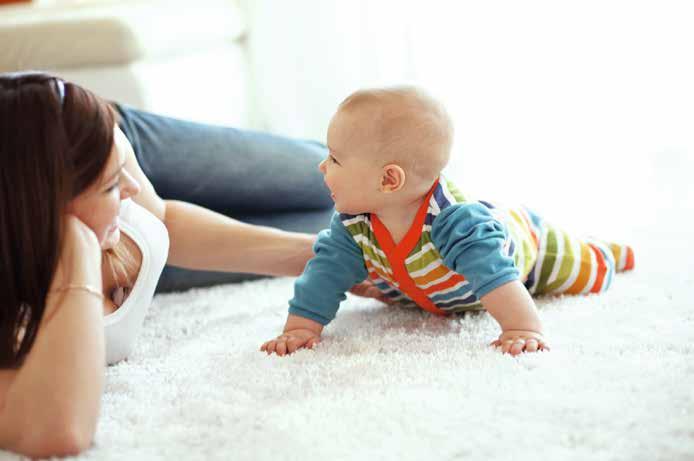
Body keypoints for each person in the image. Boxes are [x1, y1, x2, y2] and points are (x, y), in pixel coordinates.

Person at [0, 72, 381, 458]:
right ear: (43, 210)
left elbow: (162, 220)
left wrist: (325, 258)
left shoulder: (108, 156)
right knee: (344, 211)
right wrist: (75, 246)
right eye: (112, 186)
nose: (133, 189)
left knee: (345, 178)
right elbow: (56, 431)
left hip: (70, 132)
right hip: (39, 180)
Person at [261, 86, 635, 357]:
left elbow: (497, 278)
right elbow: (324, 275)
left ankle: (606, 252)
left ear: (389, 180)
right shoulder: (352, 224)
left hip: (528, 250)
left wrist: (522, 329)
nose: (321, 166)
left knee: (584, 273)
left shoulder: (458, 225)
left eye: (335, 159)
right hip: (431, 291)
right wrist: (301, 328)